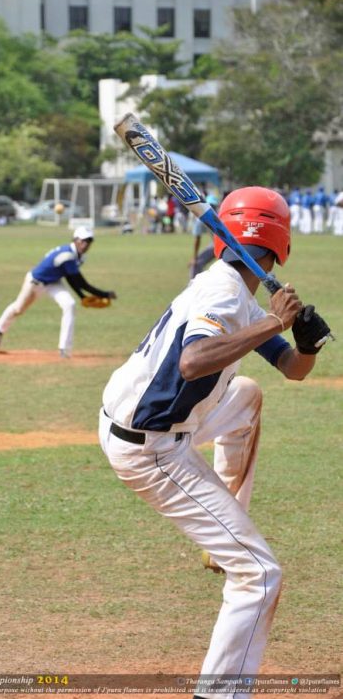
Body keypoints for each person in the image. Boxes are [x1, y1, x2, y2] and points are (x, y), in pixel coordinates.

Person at [98, 187, 330, 698]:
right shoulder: (225, 294)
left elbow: (292, 368)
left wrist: (306, 343)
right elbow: (193, 362)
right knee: (260, 575)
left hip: (148, 420)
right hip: (151, 448)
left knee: (246, 395)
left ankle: (220, 536)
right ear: (282, 244)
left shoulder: (233, 291)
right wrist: (274, 321)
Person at [0, 226, 117, 357]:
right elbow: (81, 283)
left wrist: (82, 297)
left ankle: (64, 349)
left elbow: (70, 277)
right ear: (75, 240)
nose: (86, 245)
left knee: (69, 304)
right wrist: (105, 294)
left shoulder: (79, 256)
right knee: (18, 309)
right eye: (83, 241)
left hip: (53, 283)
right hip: (35, 282)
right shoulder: (67, 255)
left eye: (89, 241)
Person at [189, 193, 220, 280]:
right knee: (196, 264)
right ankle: (193, 285)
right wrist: (195, 258)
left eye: (214, 206)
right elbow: (197, 239)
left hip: (228, 244)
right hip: (215, 243)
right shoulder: (200, 220)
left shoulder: (221, 216)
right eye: (210, 206)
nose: (212, 209)